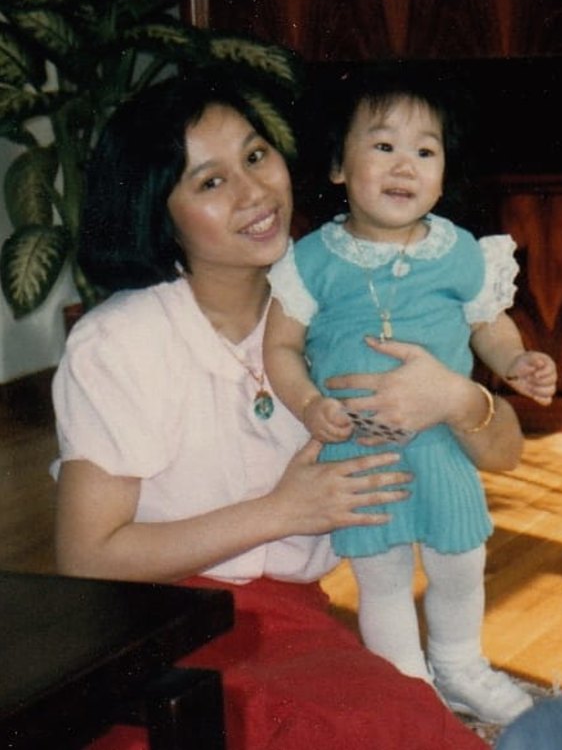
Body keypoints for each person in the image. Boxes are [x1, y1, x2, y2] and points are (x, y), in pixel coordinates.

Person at [51, 69, 525, 750]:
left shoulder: (332, 294)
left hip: (292, 615)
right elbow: (87, 558)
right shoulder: (122, 341)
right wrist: (282, 512)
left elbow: (504, 452)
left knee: (401, 725)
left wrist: (458, 398)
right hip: (162, 623)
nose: (254, 192)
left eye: (254, 156)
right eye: (210, 182)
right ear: (158, 209)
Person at [264, 66, 557, 726]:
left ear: (446, 172)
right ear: (338, 165)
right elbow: (280, 347)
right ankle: (406, 686)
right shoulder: (312, 259)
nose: (405, 165)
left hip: (442, 443)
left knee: (461, 555)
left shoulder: (461, 253)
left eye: (426, 150)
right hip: (359, 452)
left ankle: (461, 667)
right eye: (383, 145)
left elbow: (487, 323)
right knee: (384, 571)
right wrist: (309, 403)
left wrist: (517, 360)